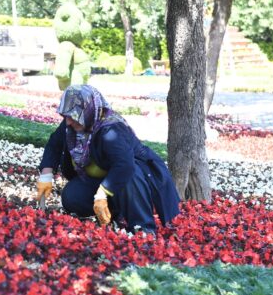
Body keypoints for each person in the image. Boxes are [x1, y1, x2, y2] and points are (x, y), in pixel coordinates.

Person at [36, 84, 180, 234]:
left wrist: (102, 194)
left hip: (131, 177)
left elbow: (124, 165)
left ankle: (143, 228)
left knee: (131, 176)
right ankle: (115, 211)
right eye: (65, 116)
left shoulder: (111, 130)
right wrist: (46, 174)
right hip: (102, 178)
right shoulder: (73, 123)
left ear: (88, 110)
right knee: (71, 197)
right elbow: (55, 144)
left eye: (72, 116)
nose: (68, 122)